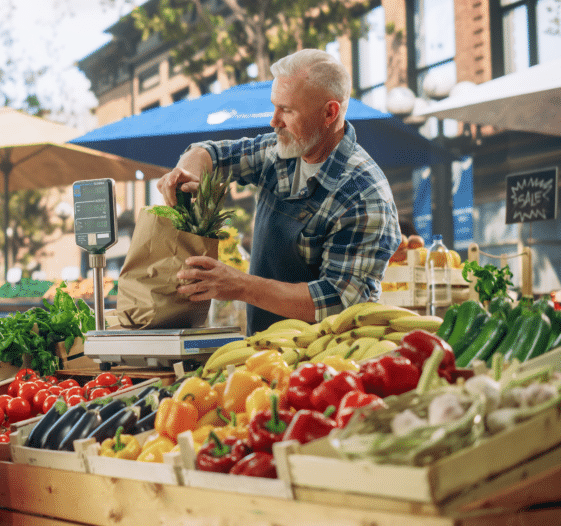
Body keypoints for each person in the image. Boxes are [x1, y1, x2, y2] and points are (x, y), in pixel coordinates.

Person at [157, 49, 402, 335]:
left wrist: (240, 285)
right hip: (264, 347)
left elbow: (338, 301)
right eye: (275, 106)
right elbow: (210, 153)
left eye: (287, 110)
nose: (274, 120)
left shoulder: (363, 196)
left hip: (329, 361)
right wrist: (187, 173)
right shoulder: (282, 151)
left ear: (329, 113)